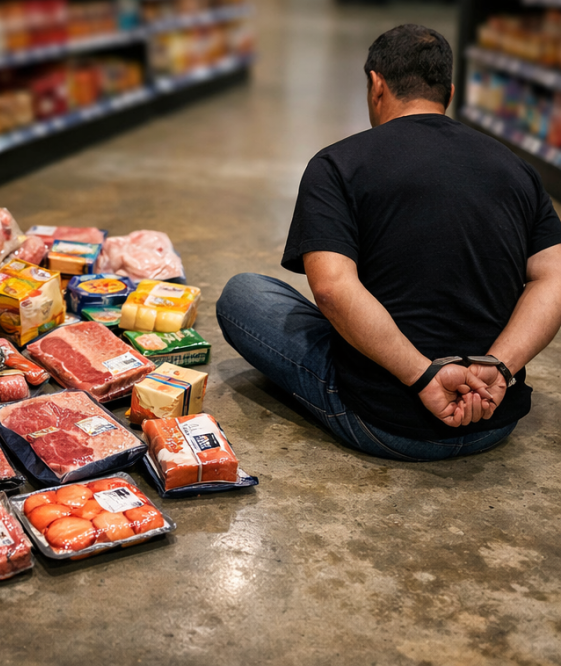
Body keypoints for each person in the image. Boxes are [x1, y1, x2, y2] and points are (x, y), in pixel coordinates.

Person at [216, 24, 561, 461]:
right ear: (449, 93)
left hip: (383, 421)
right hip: (494, 415)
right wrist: (498, 367)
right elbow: (554, 279)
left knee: (243, 293)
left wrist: (424, 377)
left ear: (376, 85)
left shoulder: (337, 164)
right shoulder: (518, 170)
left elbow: (332, 289)